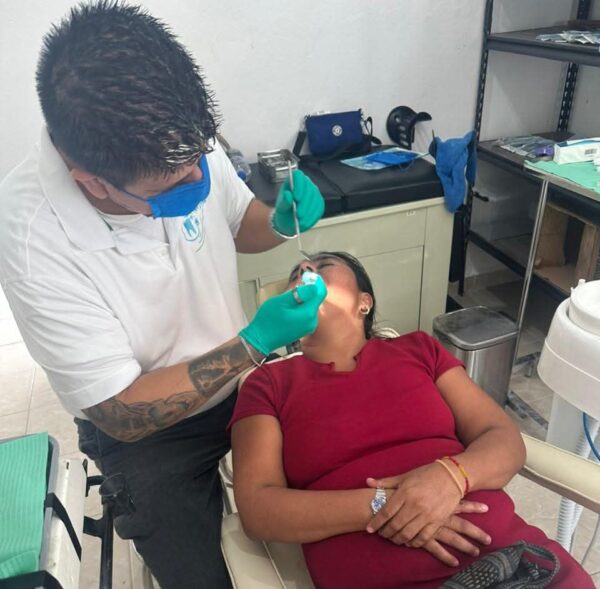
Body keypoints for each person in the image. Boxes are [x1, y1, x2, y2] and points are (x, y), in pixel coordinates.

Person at [0, 3, 326, 588]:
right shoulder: (31, 238)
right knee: (206, 577)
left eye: (202, 160)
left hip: (247, 383)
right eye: (172, 188)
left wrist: (278, 222)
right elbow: (121, 411)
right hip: (152, 435)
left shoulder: (176, 140)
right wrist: (253, 342)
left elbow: (237, 223)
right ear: (92, 181)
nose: (200, 181)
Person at [230, 251, 594, 589]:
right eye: (296, 275)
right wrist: (386, 504)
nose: (305, 273)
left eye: (322, 267)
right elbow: (258, 509)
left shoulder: (419, 349)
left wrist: (450, 477)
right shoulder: (267, 384)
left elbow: (503, 439)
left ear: (364, 302)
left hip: (513, 562)